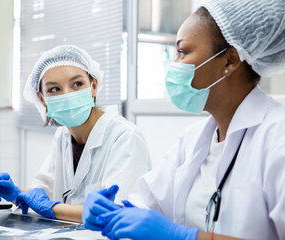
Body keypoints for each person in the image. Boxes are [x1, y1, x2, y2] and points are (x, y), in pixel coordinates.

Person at [82, 0, 285, 239]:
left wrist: (184, 236)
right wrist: (111, 210)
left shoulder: (277, 137)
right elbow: (148, 202)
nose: (174, 65)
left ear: (229, 60)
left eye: (182, 52)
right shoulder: (195, 139)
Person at [0, 45, 151, 222]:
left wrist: (53, 208)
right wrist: (15, 193)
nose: (67, 95)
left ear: (93, 85)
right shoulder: (63, 136)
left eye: (77, 84)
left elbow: (117, 212)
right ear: (42, 98)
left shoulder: (125, 137)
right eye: (54, 89)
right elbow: (42, 193)